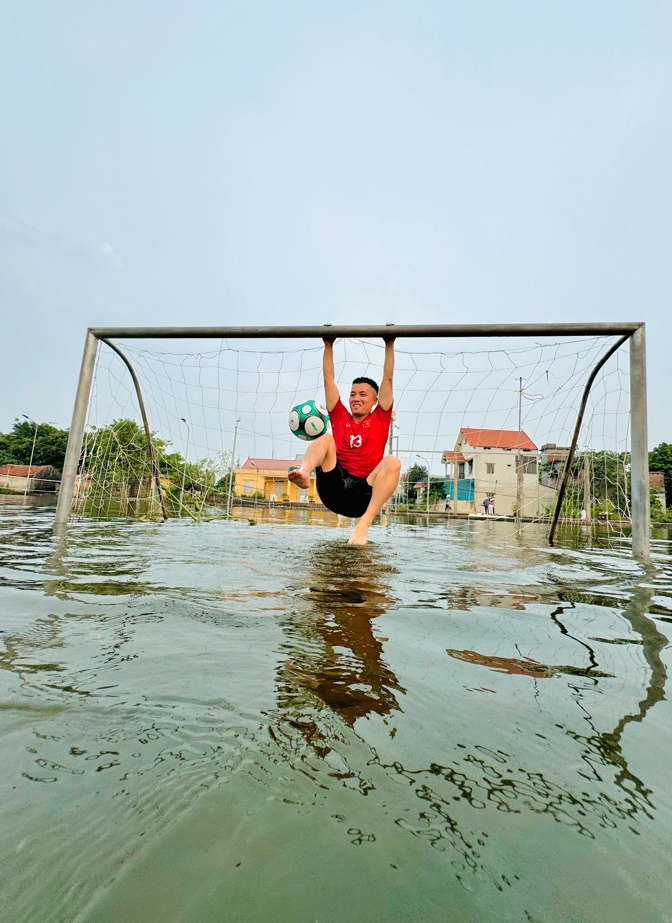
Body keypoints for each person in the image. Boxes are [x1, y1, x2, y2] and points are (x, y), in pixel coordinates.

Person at [288, 335, 401, 545]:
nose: (356, 398)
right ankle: (304, 472)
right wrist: (328, 344)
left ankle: (363, 526)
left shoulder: (381, 417)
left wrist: (389, 343)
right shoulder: (340, 416)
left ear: (375, 400)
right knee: (327, 438)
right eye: (352, 394)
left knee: (393, 462)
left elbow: (388, 378)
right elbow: (328, 379)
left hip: (362, 495)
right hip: (334, 488)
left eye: (363, 394)